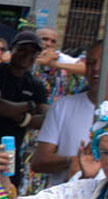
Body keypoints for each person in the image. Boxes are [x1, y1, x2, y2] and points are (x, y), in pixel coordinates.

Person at [0, 28, 50, 187]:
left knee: (6, 198)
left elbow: (46, 119)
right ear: (12, 50)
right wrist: (29, 107)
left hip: (10, 153)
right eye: (22, 50)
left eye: (32, 52)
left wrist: (20, 117)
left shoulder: (36, 85)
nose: (27, 55)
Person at [31, 43, 103, 176]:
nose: (96, 68)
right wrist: (73, 161)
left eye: (104, 62)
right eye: (91, 63)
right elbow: (39, 161)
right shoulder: (63, 106)